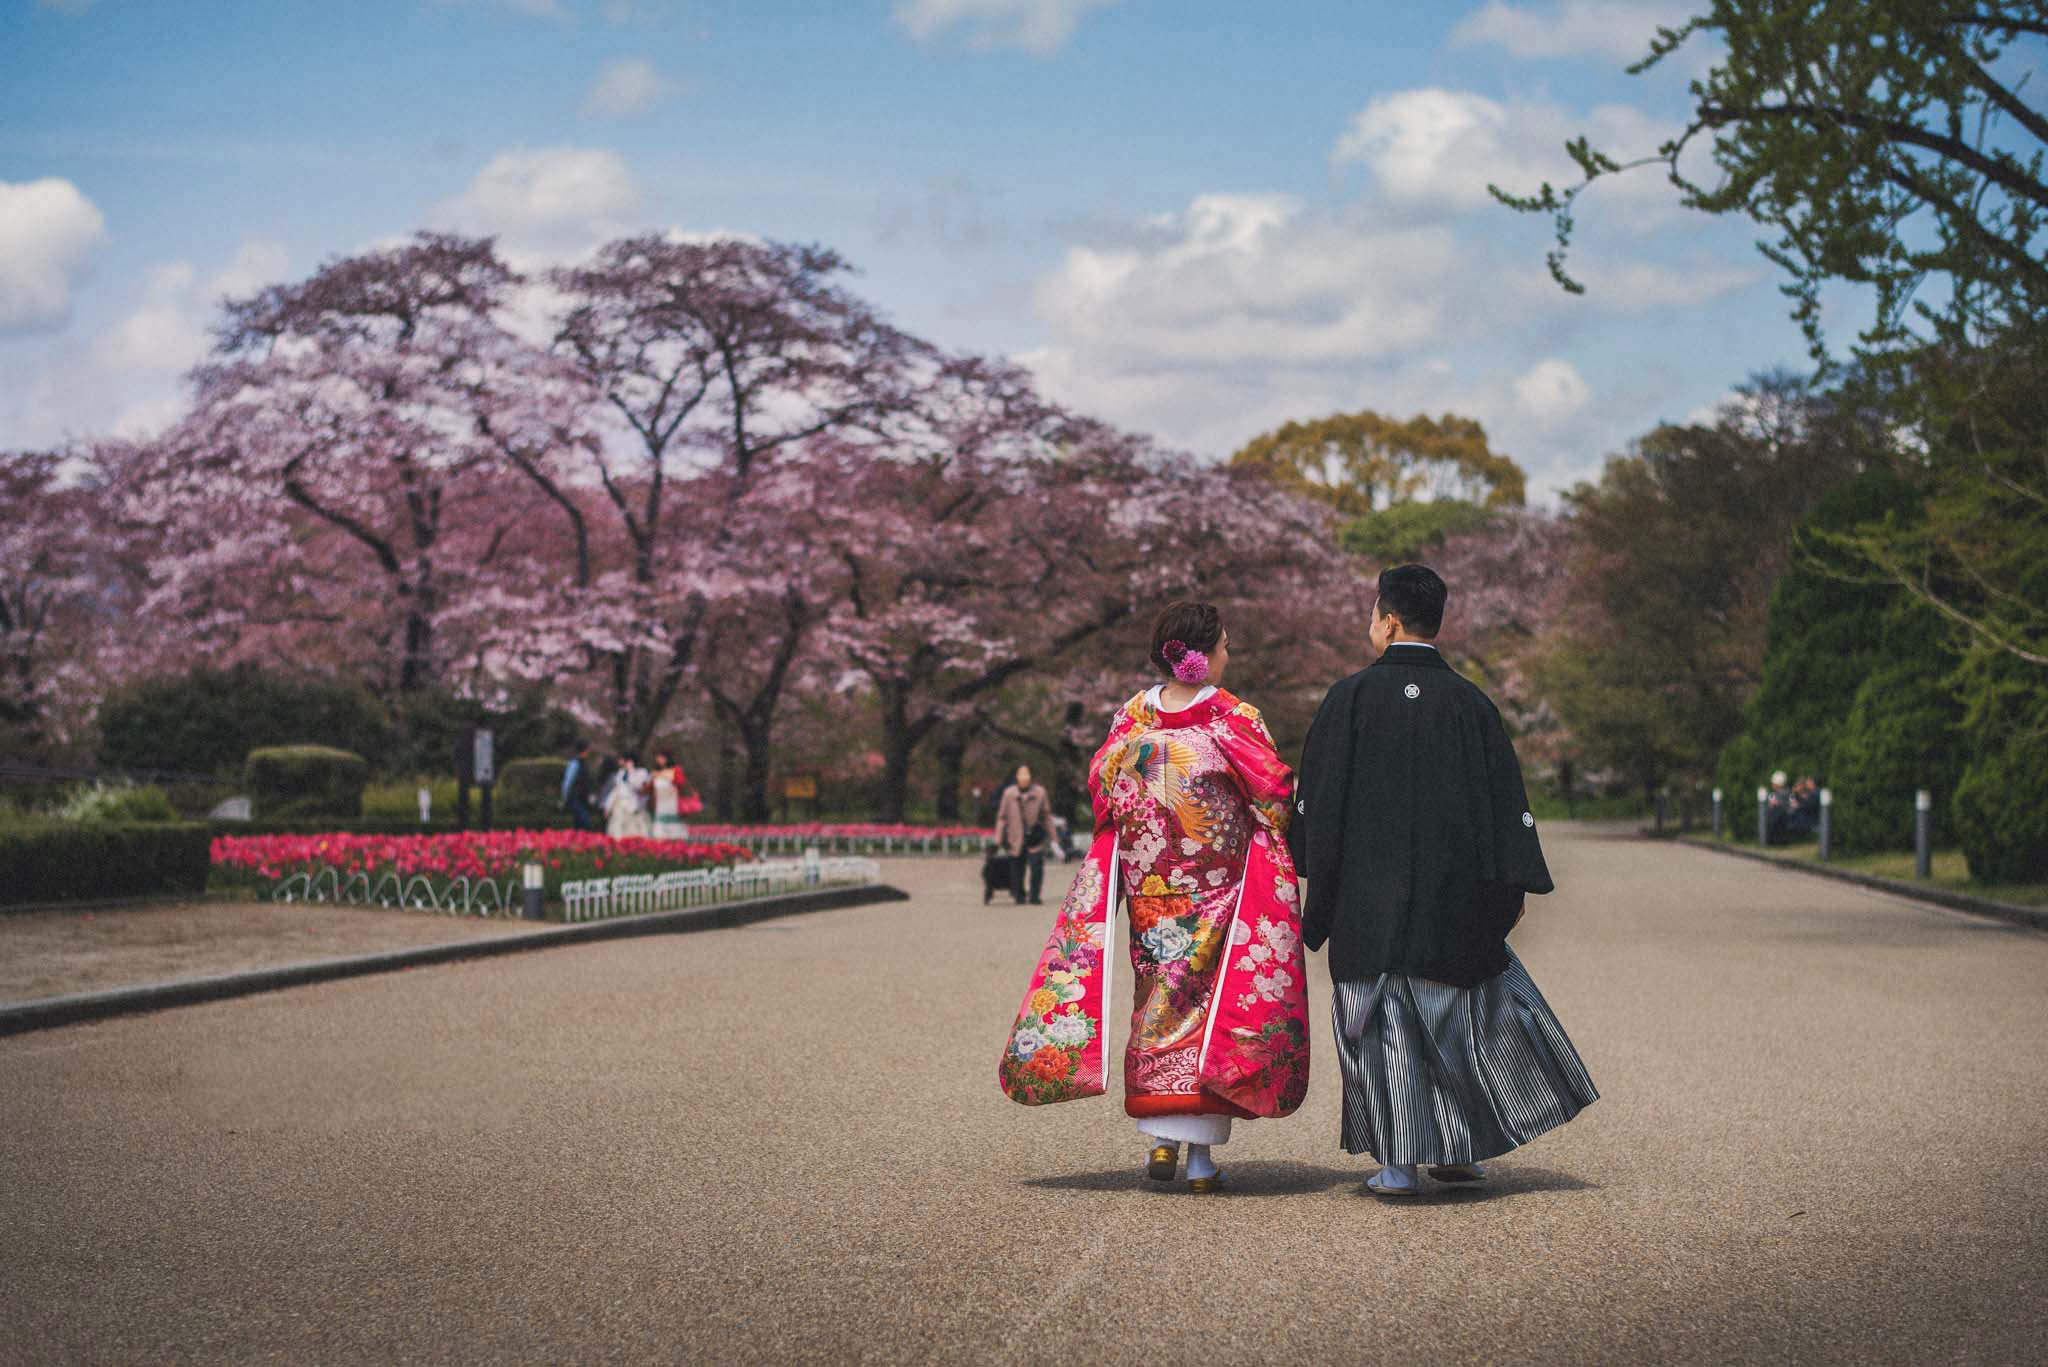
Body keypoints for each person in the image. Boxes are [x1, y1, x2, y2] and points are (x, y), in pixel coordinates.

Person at [1290, 565, 1597, 1198]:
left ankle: (1398, 1164)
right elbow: (1504, 804)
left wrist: (1316, 883)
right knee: (1455, 1020)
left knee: (1378, 1025)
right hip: (1452, 898)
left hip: (1367, 900)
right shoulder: (1472, 704)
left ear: (1389, 622)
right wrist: (1506, 888)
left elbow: (1318, 803)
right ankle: (1455, 1152)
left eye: (1374, 614)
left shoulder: (1348, 698)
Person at [1000, 601, 1311, 1193]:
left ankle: (1163, 1142)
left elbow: (1104, 791)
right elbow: (1273, 795)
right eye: (1223, 643)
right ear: (1202, 652)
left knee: (1157, 1005)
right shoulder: (1232, 717)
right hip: (1218, 894)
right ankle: (1200, 1162)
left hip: (1152, 896)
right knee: (1211, 1012)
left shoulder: (1130, 718)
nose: (1229, 653)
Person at [995, 763, 1053, 904]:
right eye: (1021, 774)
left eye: (1027, 774)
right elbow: (1002, 817)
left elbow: (1046, 815)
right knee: (1016, 868)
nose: (1024, 777)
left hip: (1035, 836)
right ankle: (1019, 895)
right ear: (1016, 777)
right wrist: (999, 839)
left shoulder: (1040, 792)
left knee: (1037, 867)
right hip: (1015, 836)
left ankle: (1034, 895)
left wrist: (1053, 837)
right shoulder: (1009, 794)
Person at [648, 749, 700, 841]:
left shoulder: (675, 770)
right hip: (660, 804)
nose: (659, 760)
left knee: (674, 830)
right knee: (660, 831)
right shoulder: (655, 772)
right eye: (658, 757)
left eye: (662, 757)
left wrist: (661, 775)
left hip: (673, 803)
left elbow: (680, 782)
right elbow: (651, 788)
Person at [603, 753, 652, 839]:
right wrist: (608, 806)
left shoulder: (641, 772)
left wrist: (631, 773)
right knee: (619, 831)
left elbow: (640, 788)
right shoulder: (620, 774)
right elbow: (616, 791)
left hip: (635, 806)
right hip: (621, 807)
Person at [561, 740, 596, 832]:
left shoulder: (584, 763)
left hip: (583, 797)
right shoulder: (574, 763)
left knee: (578, 822)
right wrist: (565, 797)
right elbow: (567, 782)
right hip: (575, 797)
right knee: (585, 822)